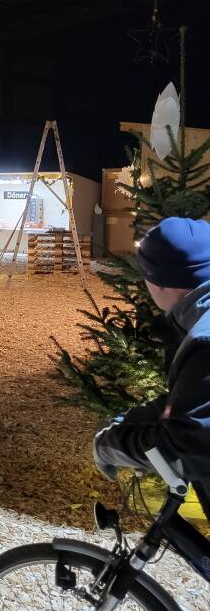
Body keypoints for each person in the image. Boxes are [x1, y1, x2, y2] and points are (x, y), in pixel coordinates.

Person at [94, 216, 210, 509]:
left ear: (157, 283)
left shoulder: (204, 342)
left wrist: (110, 447)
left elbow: (184, 448)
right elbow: (195, 402)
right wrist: (135, 419)